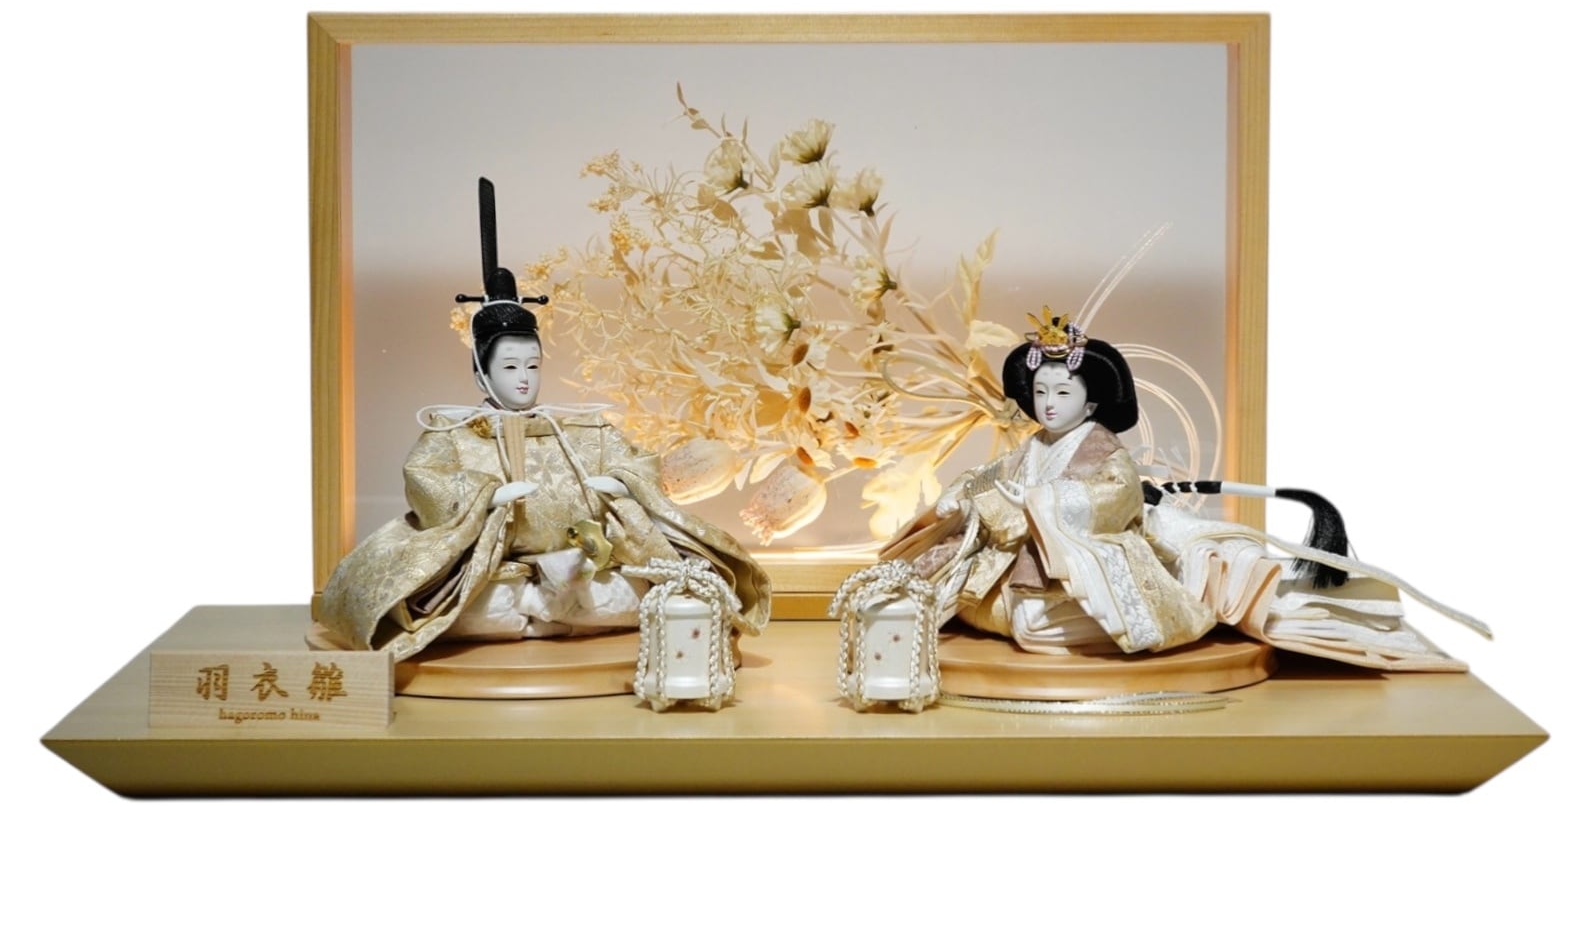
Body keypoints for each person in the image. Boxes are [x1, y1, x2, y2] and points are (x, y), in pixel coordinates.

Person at [876, 309, 1483, 670]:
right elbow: (995, 476)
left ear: (1092, 400)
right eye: (1041, 393)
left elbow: (1110, 498)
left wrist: (1038, 504)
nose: (1049, 404)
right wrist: (962, 495)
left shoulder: (1103, 451)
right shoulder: (1033, 445)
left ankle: (1201, 598)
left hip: (1080, 562)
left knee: (1032, 627)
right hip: (1026, 560)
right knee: (969, 601)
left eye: (1063, 393)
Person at [316, 179, 771, 661]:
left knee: (645, 589)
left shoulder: (582, 428)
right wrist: (485, 496)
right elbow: (424, 477)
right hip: (491, 573)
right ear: (480, 371)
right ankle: (540, 610)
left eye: (532, 366)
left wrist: (622, 482)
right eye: (510, 367)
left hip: (581, 565)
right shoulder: (453, 433)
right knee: (463, 603)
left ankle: (546, 609)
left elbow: (637, 460)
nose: (524, 379)